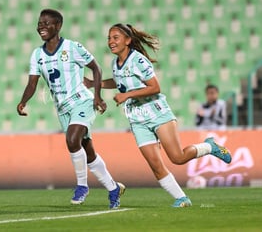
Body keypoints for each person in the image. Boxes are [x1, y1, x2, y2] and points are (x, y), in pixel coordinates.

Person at [84, 23, 232, 207]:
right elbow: (119, 81)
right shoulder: (115, 63)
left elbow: (155, 87)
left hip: (157, 112)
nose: (111, 42)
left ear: (128, 40)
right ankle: (182, 198)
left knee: (177, 158)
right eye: (109, 38)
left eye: (115, 38)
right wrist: (93, 83)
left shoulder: (137, 60)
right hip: (137, 119)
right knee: (155, 165)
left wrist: (127, 95)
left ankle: (210, 147)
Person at [16, 9, 125, 209]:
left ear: (57, 26)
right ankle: (113, 188)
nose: (41, 26)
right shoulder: (37, 54)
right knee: (88, 152)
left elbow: (96, 68)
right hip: (63, 108)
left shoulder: (72, 47)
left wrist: (98, 96)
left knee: (72, 140)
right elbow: (32, 83)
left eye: (46, 23)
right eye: (40, 23)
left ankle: (82, 186)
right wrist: (23, 101)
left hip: (82, 101)